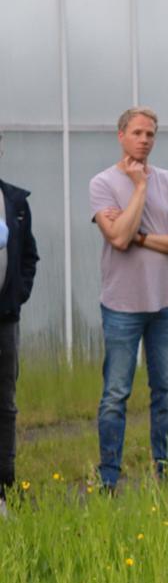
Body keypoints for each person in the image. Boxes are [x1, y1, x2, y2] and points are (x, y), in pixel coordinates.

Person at [90, 108, 168, 493]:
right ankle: (109, 478)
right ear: (121, 135)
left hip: (167, 305)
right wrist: (138, 187)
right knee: (115, 395)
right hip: (121, 307)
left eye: (150, 134)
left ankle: (167, 472)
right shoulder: (102, 183)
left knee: (166, 393)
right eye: (137, 132)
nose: (144, 140)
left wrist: (143, 237)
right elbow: (118, 238)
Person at [0, 132, 40, 516]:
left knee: (5, 405)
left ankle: (5, 487)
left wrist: (17, 294)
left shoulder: (15, 202)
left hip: (4, 320)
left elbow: (29, 256)